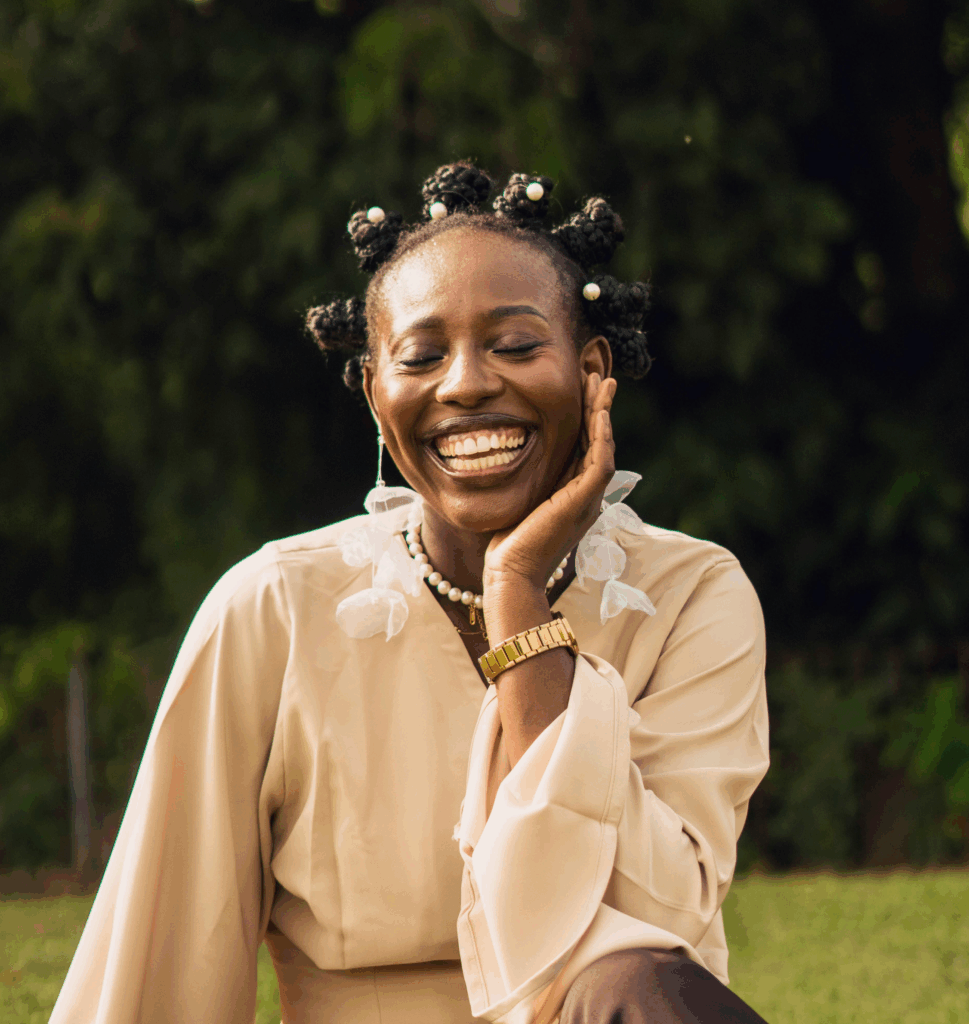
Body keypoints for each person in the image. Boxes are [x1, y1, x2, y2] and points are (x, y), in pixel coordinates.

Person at [49, 163, 771, 1024]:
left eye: (514, 345)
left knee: (635, 983)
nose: (466, 383)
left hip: (607, 1012)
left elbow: (665, 925)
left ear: (592, 370)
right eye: (422, 356)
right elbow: (163, 957)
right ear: (373, 394)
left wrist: (518, 599)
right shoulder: (273, 609)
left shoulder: (692, 596)